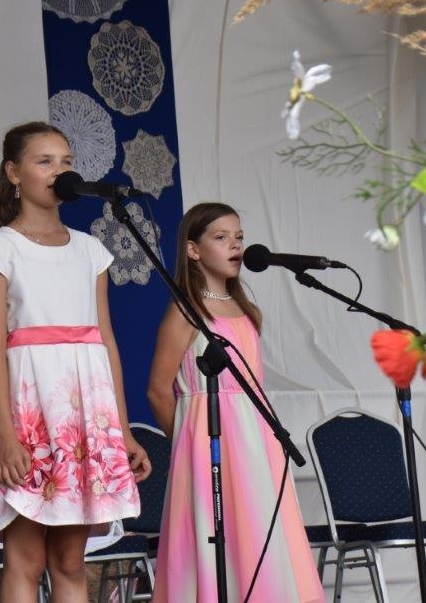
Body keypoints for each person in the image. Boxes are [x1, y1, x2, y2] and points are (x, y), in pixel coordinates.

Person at [0, 121, 151, 601]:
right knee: (25, 560)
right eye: (44, 161)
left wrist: (123, 430)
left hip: (85, 419)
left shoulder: (91, 251)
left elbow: (106, 342)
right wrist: (6, 435)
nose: (58, 171)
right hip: (28, 418)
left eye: (66, 162)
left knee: (71, 560)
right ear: (14, 173)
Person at [146, 202, 324, 601]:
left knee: (259, 535)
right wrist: (188, 444)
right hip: (205, 444)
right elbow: (157, 390)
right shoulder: (185, 313)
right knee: (214, 542)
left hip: (256, 444)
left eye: (239, 237)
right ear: (193, 249)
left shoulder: (249, 312)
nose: (235, 246)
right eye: (221, 237)